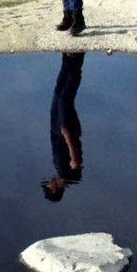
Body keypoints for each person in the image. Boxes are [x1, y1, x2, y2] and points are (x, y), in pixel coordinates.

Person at [43, 52, 85, 203]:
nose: (48, 183)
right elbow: (77, 162)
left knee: (58, 94)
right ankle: (77, 58)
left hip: (57, 129)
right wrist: (66, 134)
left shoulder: (60, 172)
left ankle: (67, 58)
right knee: (64, 98)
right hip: (65, 130)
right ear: (55, 190)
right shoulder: (69, 177)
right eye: (48, 187)